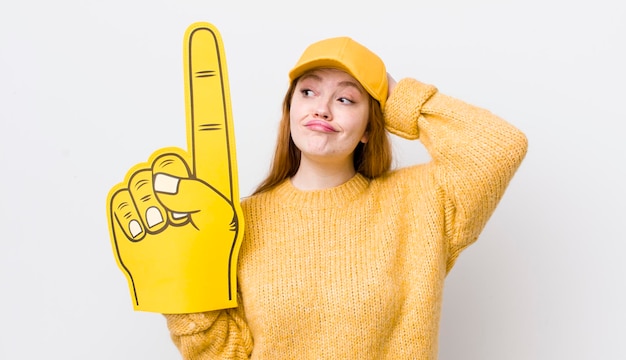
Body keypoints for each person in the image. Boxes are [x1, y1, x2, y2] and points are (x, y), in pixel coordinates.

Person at [163, 36, 528, 359]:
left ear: (370, 127)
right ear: (289, 112)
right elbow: (228, 354)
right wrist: (179, 295)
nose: (322, 108)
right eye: (308, 92)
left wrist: (397, 95)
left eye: (345, 98)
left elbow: (499, 147)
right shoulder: (239, 223)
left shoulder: (420, 203)